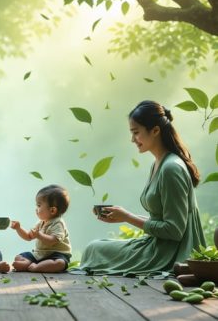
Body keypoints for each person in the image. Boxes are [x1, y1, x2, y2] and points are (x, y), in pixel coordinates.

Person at [80, 100, 206, 276]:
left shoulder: (171, 168)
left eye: (136, 132)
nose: (132, 139)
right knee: (95, 247)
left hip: (171, 254)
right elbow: (163, 220)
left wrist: (128, 217)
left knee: (94, 249)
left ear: (155, 130)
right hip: (158, 245)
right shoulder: (158, 164)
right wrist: (123, 216)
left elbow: (174, 230)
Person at [11, 184, 72, 273]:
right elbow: (28, 237)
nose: (36, 209)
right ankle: (32, 264)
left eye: (39, 205)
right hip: (40, 254)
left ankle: (36, 267)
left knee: (60, 263)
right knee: (18, 257)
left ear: (52, 210)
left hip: (57, 254)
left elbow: (53, 241)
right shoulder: (41, 222)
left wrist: (39, 235)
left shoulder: (58, 223)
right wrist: (18, 228)